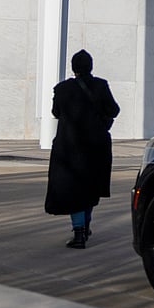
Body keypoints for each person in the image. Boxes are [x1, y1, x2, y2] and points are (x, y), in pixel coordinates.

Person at [44, 49, 120, 248]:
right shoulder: (101, 85)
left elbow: (56, 112)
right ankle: (85, 226)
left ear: (73, 67)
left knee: (74, 189)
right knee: (91, 187)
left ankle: (79, 232)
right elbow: (114, 110)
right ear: (91, 66)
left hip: (69, 147)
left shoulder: (62, 89)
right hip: (96, 146)